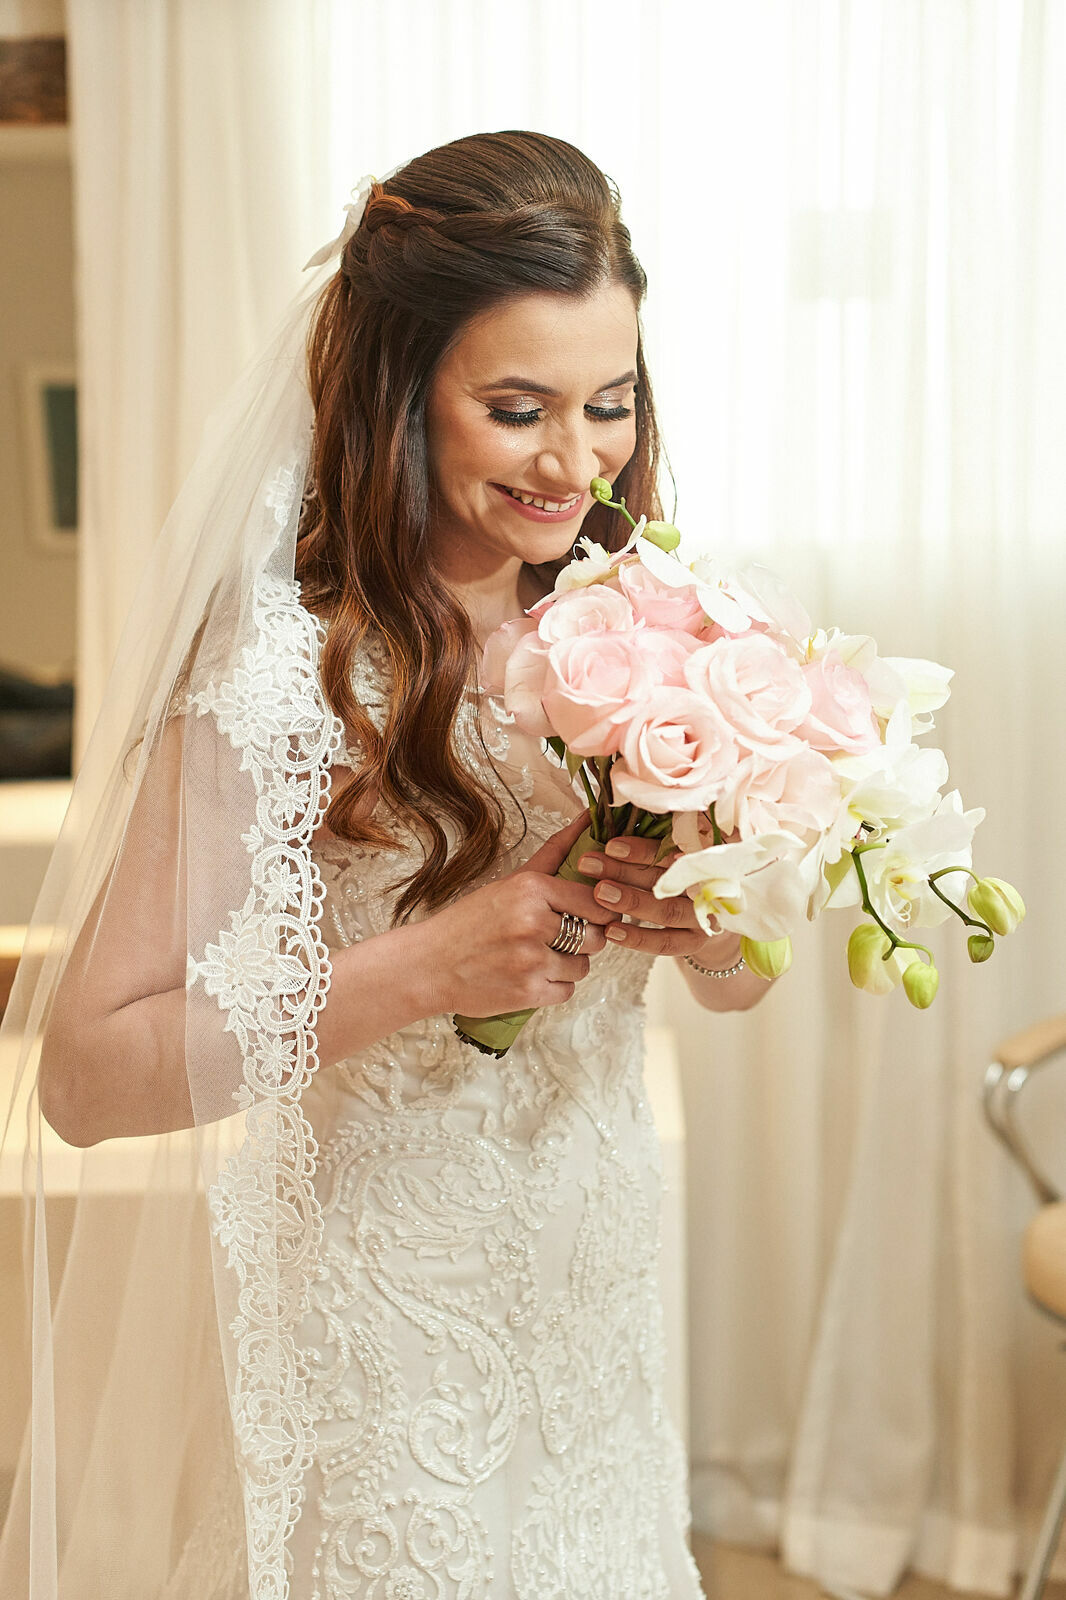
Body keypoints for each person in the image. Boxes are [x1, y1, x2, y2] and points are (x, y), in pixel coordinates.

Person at [0, 130, 777, 1599]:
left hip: (596, 1309)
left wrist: (708, 925)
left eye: (608, 404)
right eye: (516, 408)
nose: (574, 460)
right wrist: (424, 965)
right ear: (399, 400)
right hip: (390, 1349)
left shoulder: (652, 626)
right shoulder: (287, 668)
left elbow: (735, 986)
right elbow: (86, 1078)